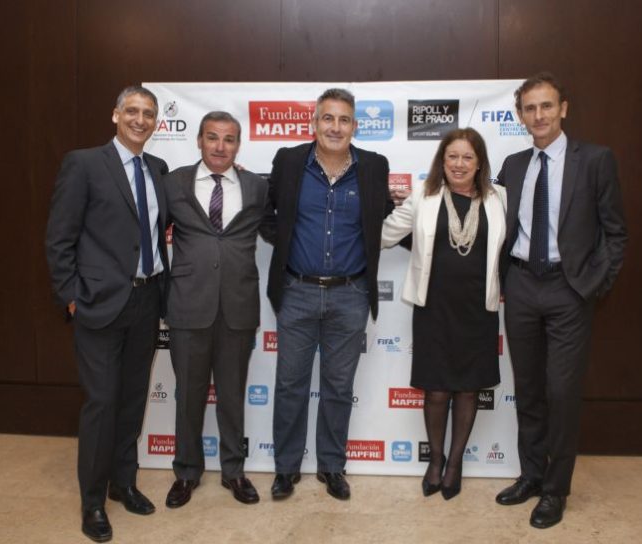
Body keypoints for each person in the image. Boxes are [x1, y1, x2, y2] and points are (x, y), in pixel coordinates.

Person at [494, 73, 627, 528]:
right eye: (530, 108)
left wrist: (593, 285)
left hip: (569, 290)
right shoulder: (513, 165)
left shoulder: (595, 160)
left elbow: (616, 233)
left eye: (546, 106)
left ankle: (555, 490)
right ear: (520, 115)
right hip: (521, 286)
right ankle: (531, 475)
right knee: (528, 390)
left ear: (563, 109)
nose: (539, 116)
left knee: (562, 393)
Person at [46, 85, 168, 542]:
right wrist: (71, 295)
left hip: (147, 300)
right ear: (115, 115)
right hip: (98, 303)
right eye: (132, 111)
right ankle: (93, 501)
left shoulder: (157, 169)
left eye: (148, 113)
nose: (140, 119)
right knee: (102, 402)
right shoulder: (84, 164)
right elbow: (59, 237)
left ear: (156, 122)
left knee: (133, 399)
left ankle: (124, 483)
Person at [264, 88, 394, 501]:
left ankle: (332, 466)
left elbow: (387, 219)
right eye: (328, 118)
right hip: (297, 291)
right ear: (314, 123)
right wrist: (287, 242)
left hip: (350, 294)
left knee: (338, 386)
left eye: (344, 120)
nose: (335, 127)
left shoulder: (374, 167)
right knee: (290, 385)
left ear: (354, 126)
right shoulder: (289, 161)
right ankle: (286, 468)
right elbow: (266, 213)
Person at [382, 128, 506, 500]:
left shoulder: (500, 198)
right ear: (442, 160)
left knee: (468, 389)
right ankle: (435, 461)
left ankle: (455, 464)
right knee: (436, 390)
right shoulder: (424, 195)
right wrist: (371, 202)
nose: (459, 164)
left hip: (478, 309)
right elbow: (385, 233)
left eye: (468, 157)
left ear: (479, 163)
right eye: (452, 156)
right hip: (434, 308)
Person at [163, 112, 269, 508]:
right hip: (188, 304)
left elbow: (281, 226)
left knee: (232, 395)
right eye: (212, 137)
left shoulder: (257, 186)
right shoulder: (173, 182)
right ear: (199, 140)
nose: (220, 147)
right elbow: (150, 232)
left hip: (238, 306)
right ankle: (186, 472)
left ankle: (233, 471)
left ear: (238, 144)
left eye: (229, 139)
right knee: (188, 397)